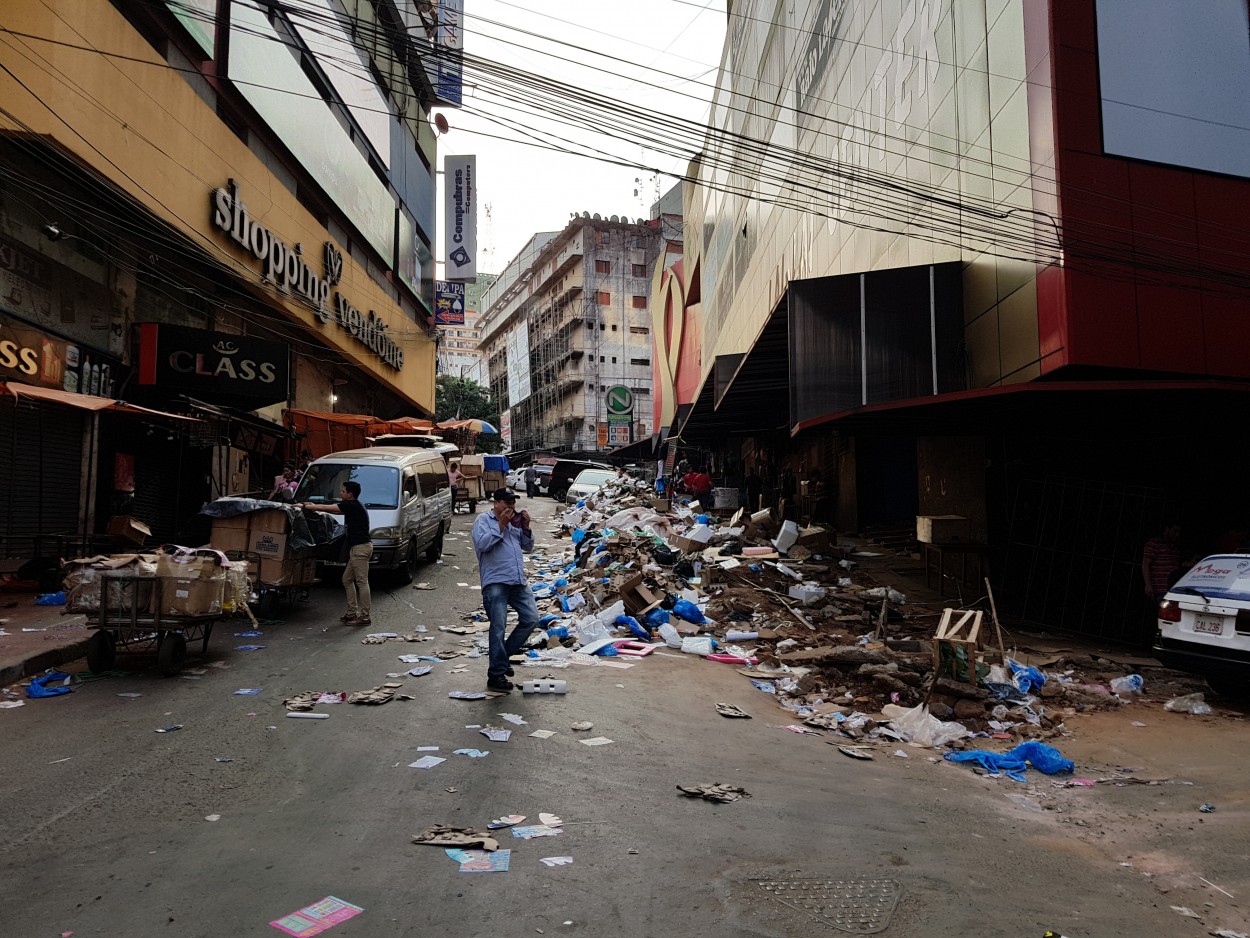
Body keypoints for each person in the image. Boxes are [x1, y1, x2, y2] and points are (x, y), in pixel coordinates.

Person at [471, 488, 539, 693]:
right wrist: (500, 526)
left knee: (531, 618)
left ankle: (501, 659)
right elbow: (482, 545)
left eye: (513, 503)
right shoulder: (483, 521)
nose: (511, 507)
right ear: (496, 502)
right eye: (506, 503)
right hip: (496, 582)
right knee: (498, 626)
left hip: (517, 581)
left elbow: (528, 547)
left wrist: (526, 528)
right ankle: (496, 675)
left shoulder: (514, 523)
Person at [301, 480, 373, 625]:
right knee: (347, 579)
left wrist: (307, 506)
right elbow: (336, 510)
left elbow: (328, 508)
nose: (340, 494)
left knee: (362, 582)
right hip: (357, 548)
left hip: (361, 549)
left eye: (343, 491)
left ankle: (365, 616)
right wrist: (311, 507)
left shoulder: (352, 505)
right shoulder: (353, 506)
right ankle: (352, 613)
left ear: (350, 494)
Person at [1141, 522, 1181, 603]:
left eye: (1178, 532)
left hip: (1172, 589)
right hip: (1159, 589)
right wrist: (1148, 585)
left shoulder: (1175, 548)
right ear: (1167, 529)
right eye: (1174, 531)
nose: (1177, 535)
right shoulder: (1154, 543)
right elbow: (1145, 564)